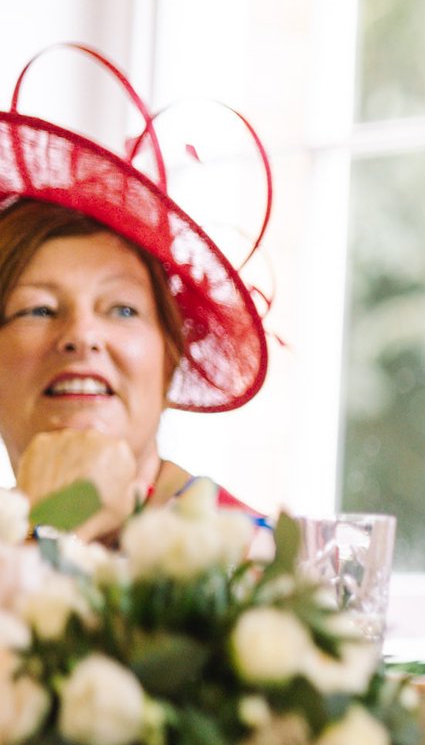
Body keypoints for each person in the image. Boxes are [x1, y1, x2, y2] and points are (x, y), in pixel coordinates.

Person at [0, 49, 270, 537]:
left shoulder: (250, 560)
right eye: (38, 309)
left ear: (170, 355)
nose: (82, 336)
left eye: (123, 309)